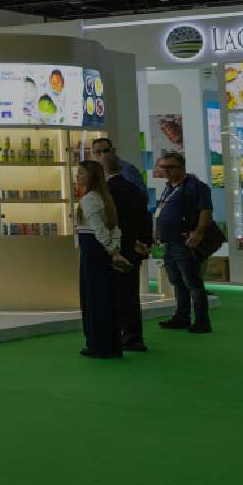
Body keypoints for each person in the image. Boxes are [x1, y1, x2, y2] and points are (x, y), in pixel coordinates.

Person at [94, 138, 152, 351]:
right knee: (123, 293)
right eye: (98, 152)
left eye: (106, 151)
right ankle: (127, 334)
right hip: (123, 245)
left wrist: (141, 240)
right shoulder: (105, 182)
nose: (103, 156)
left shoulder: (127, 175)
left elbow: (139, 210)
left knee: (125, 293)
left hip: (126, 246)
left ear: (114, 150)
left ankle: (131, 336)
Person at [155, 152, 216, 334]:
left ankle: (202, 321)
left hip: (184, 241)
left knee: (192, 282)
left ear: (181, 167)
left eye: (170, 167)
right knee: (177, 281)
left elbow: (205, 211)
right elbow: (161, 211)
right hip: (168, 241)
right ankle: (182, 317)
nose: (166, 171)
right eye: (163, 167)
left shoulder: (196, 186)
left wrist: (198, 232)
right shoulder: (168, 187)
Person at [74, 160, 126, 359]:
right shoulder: (104, 198)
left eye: (81, 173)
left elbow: (98, 229)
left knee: (93, 299)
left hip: (93, 252)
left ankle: (98, 345)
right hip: (102, 252)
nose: (77, 176)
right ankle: (111, 344)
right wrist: (114, 247)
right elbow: (114, 228)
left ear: (91, 176)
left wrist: (111, 249)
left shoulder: (89, 199)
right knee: (106, 298)